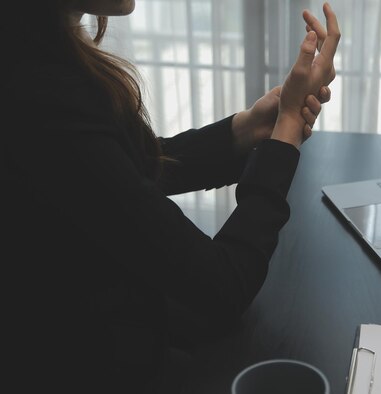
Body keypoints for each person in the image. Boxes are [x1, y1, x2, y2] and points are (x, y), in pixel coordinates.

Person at [1, 0, 340, 393]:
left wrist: (247, 129)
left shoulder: (32, 60)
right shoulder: (39, 94)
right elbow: (223, 286)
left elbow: (117, 174)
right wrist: (286, 131)